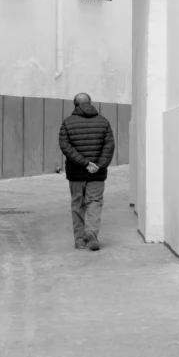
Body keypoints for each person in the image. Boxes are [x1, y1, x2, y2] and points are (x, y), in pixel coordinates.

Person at [59, 93, 115, 251]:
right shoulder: (103, 122)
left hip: (76, 173)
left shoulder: (67, 123)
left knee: (77, 204)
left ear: (75, 105)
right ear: (90, 103)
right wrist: (98, 165)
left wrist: (84, 164)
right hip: (97, 173)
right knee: (94, 202)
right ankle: (91, 230)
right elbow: (109, 146)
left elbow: (65, 147)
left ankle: (80, 241)